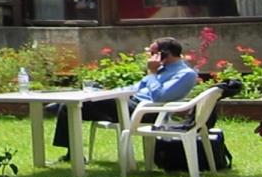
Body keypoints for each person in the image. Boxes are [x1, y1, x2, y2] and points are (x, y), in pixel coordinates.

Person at [52, 37, 199, 152]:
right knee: (69, 107)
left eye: (153, 53)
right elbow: (135, 88)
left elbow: (159, 97)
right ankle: (72, 154)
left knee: (80, 104)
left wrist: (152, 73)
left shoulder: (185, 74)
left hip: (147, 111)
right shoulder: (161, 69)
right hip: (129, 103)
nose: (149, 57)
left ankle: (57, 105)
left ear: (166, 54)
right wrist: (109, 92)